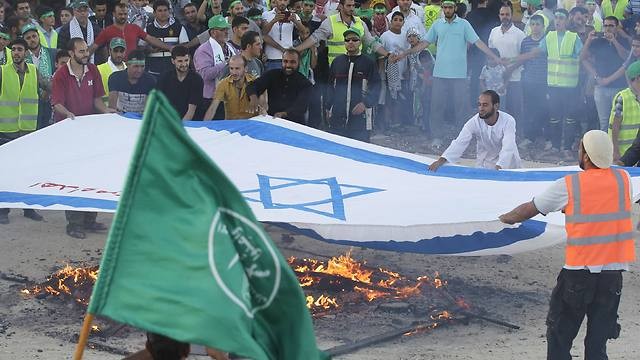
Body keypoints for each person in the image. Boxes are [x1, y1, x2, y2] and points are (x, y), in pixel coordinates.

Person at [499, 129, 635, 360]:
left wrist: (501, 219)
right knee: (597, 345)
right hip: (612, 277)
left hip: (579, 275)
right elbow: (603, 205)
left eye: (581, 148)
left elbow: (529, 209)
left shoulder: (570, 185)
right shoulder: (624, 180)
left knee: (560, 338)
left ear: (586, 156)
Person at [402, 0, 501, 146]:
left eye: (450, 7)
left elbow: (478, 42)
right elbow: (424, 43)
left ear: (454, 8)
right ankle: (437, 136)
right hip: (440, 73)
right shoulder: (437, 25)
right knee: (437, 106)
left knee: (461, 107)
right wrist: (405, 53)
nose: (447, 10)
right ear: (442, 9)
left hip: (459, 73)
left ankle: (463, 138)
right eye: (445, 7)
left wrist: (494, 57)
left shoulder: (464, 24)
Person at [51, 38, 114, 239]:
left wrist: (106, 111)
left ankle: (90, 219)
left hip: (90, 132)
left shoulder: (93, 70)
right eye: (81, 51)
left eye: (86, 50)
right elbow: (56, 103)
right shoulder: (60, 75)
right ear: (71, 53)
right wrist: (69, 114)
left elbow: (97, 99)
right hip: (68, 133)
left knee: (92, 174)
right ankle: (74, 223)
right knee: (72, 178)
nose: (86, 54)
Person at [0, 38, 47, 224]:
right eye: (14, 50)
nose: (16, 53)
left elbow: (50, 87)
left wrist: (45, 96)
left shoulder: (34, 72)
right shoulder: (2, 72)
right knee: (5, 172)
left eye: (20, 50)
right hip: (6, 130)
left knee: (28, 171)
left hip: (27, 130)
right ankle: (3, 211)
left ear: (26, 52)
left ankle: (29, 208)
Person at [428, 90, 521, 171]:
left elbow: (508, 147)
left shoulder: (508, 121)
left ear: (496, 106)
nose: (481, 108)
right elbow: (459, 143)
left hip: (508, 165)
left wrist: (500, 167)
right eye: (479, 105)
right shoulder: (474, 122)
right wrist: (440, 161)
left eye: (485, 105)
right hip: (485, 164)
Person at [294, 0, 391, 66]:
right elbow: (314, 38)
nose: (352, 8)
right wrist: (296, 49)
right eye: (348, 5)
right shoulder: (330, 22)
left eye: (353, 5)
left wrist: (387, 54)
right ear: (341, 6)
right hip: (337, 68)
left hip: (356, 67)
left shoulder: (360, 22)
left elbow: (371, 42)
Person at [326, 27, 380, 142]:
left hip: (360, 117)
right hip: (338, 116)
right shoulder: (337, 62)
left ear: (360, 42)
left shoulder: (368, 63)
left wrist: (366, 103)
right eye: (347, 40)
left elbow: (376, 85)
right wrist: (327, 107)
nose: (350, 42)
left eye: (354, 40)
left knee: (360, 150)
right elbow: (330, 86)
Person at [247, 49, 312, 124]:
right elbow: (253, 86)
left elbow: (301, 107)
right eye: (285, 61)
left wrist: (284, 114)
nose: (288, 65)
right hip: (273, 122)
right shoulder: (272, 75)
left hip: (295, 126)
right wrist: (253, 97)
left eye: (292, 62)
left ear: (299, 63)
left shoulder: (305, 83)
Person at [91, 2, 172, 59]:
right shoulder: (107, 31)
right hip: (115, 67)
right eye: (120, 14)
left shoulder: (135, 28)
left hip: (133, 66)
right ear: (114, 14)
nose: (123, 16)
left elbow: (151, 39)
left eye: (125, 14)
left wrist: (170, 47)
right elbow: (94, 47)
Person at [488, 3, 525, 122]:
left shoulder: (520, 34)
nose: (505, 17)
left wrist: (510, 69)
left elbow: (523, 57)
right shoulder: (494, 32)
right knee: (497, 109)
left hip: (514, 77)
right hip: (497, 79)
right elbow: (490, 54)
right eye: (502, 14)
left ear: (512, 15)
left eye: (507, 14)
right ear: (499, 16)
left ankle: (515, 135)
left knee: (515, 108)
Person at [193, 15, 234, 119]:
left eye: (227, 29)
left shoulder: (230, 47)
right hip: (210, 99)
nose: (226, 32)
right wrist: (226, 63)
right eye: (222, 29)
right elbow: (205, 75)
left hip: (229, 98)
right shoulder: (203, 50)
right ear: (213, 32)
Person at [22, 23, 57, 130]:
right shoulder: (22, 58)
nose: (32, 40)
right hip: (30, 105)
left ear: (38, 36)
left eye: (34, 36)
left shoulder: (52, 53)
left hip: (51, 103)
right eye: (28, 38)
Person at [156, 45, 203, 120]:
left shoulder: (196, 79)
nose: (184, 64)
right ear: (173, 61)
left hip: (191, 124)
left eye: (186, 60)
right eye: (180, 61)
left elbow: (191, 110)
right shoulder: (165, 78)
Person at [144, 0, 189, 76]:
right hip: (153, 70)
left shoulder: (178, 27)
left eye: (165, 10)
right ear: (154, 13)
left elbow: (185, 47)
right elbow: (140, 47)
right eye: (160, 11)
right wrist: (149, 50)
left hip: (173, 70)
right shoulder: (148, 29)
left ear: (169, 11)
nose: (163, 13)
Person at [204, 54, 254, 119]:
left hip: (250, 124)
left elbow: (263, 107)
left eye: (237, 68)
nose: (234, 72)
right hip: (230, 125)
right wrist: (204, 127)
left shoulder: (255, 82)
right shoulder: (223, 84)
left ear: (246, 69)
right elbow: (213, 108)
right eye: (231, 68)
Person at [108, 50, 157, 115]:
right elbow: (112, 108)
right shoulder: (115, 78)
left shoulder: (150, 80)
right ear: (127, 64)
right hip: (120, 117)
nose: (139, 70)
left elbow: (149, 110)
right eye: (136, 66)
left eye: (142, 66)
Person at [262, 0, 306, 71]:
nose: (282, 2)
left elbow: (304, 32)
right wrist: (274, 20)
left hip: (289, 59)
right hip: (271, 58)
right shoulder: (266, 14)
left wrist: (295, 21)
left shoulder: (293, 15)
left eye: (285, 0)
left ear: (288, 1)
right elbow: (264, 33)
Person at [609, 61, 640, 161]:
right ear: (637, 78)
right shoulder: (622, 98)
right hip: (624, 154)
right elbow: (615, 126)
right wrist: (615, 150)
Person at [97, 37, 127, 104]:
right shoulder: (99, 69)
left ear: (125, 52)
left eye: (121, 51)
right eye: (115, 51)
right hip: (106, 112)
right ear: (110, 51)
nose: (118, 54)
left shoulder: (129, 69)